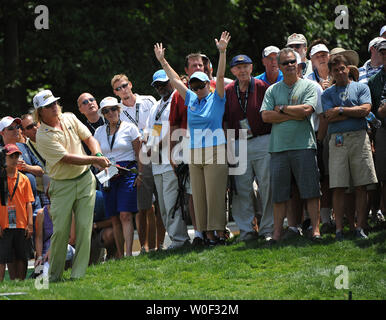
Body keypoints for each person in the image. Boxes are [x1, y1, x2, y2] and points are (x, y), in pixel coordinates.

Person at [154, 31, 231, 245]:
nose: (197, 89)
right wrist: (162, 60)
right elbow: (174, 79)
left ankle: (218, 232)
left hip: (216, 150)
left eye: (201, 85)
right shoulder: (191, 99)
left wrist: (222, 52)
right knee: (199, 195)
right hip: (194, 152)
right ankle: (206, 233)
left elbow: (222, 75)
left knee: (215, 194)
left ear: (208, 83)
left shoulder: (217, 98)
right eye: (194, 85)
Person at [33, 89, 110, 282]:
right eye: (48, 106)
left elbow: (89, 138)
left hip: (85, 180)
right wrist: (94, 159)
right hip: (62, 185)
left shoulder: (69, 117)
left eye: (54, 103)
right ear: (39, 112)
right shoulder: (42, 135)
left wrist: (98, 154)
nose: (53, 107)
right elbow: (66, 159)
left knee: (84, 228)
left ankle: (78, 275)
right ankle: (55, 276)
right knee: (60, 232)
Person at [261, 48, 321, 243]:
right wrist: (291, 113)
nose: (289, 65)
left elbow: (307, 110)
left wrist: (282, 109)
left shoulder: (309, 86)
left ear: (298, 64)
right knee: (279, 195)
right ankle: (277, 234)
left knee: (311, 191)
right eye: (285, 63)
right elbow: (266, 116)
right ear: (279, 67)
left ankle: (316, 231)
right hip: (278, 148)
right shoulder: (272, 90)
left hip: (304, 145)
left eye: (292, 62)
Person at [322, 54, 378, 241]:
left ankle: (360, 227)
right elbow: (328, 117)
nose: (340, 72)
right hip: (337, 140)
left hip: (360, 138)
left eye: (342, 68)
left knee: (362, 184)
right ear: (331, 73)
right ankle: (339, 229)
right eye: (335, 70)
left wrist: (340, 110)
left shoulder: (361, 87)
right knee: (338, 186)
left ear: (349, 68)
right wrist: (354, 112)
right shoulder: (327, 94)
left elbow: (366, 110)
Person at [224, 54, 273, 242]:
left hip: (262, 140)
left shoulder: (262, 87)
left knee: (266, 187)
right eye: (239, 67)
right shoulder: (229, 90)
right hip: (237, 142)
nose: (243, 70)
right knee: (241, 189)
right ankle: (246, 230)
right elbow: (225, 121)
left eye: (246, 66)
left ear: (252, 68)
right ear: (233, 71)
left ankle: (267, 229)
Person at [111, 74, 158, 253]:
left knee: (159, 204)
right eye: (118, 89)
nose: (122, 90)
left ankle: (159, 244)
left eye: (124, 86)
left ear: (130, 84)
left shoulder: (148, 100)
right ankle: (147, 246)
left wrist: (150, 136)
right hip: (139, 157)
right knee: (145, 206)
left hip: (157, 150)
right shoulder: (117, 110)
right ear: (115, 93)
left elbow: (159, 122)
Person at [145, 69, 190, 250]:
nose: (161, 88)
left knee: (172, 202)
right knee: (162, 206)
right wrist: (150, 146)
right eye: (157, 85)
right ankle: (175, 238)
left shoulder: (177, 98)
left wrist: (158, 146)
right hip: (157, 163)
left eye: (164, 83)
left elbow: (176, 128)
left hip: (172, 159)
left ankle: (180, 240)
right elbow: (153, 130)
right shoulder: (156, 106)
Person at [94, 96, 141, 257]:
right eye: (106, 111)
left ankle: (128, 253)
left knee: (125, 214)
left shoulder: (130, 128)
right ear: (103, 114)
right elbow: (96, 156)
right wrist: (102, 166)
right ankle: (120, 255)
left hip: (127, 171)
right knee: (114, 217)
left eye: (114, 109)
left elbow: (139, 153)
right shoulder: (99, 131)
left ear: (119, 110)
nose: (111, 113)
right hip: (108, 173)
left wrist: (140, 174)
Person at [168, 52, 206, 246]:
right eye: (194, 66)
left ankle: (216, 231)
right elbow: (173, 125)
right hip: (188, 148)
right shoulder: (179, 95)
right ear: (186, 70)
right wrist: (172, 154)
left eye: (200, 65)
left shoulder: (214, 88)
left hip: (213, 146)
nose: (198, 68)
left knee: (215, 189)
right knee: (193, 192)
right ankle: (199, 233)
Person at [0, 144, 34, 282]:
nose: (15, 159)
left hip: (21, 224)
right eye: (11, 156)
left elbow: (29, 202)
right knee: (2, 257)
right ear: (3, 157)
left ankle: (20, 282)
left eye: (16, 156)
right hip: (4, 225)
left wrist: (30, 224)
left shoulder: (24, 179)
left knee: (22, 256)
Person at [368, 40, 386, 222]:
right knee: (382, 177)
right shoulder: (373, 81)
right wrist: (372, 137)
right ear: (380, 55)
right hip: (382, 131)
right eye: (384, 53)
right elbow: (373, 112)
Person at [20, 113, 50, 207]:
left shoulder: (52, 137)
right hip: (44, 190)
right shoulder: (25, 148)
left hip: (63, 181)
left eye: (35, 123)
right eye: (29, 127)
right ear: (24, 133)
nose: (34, 128)